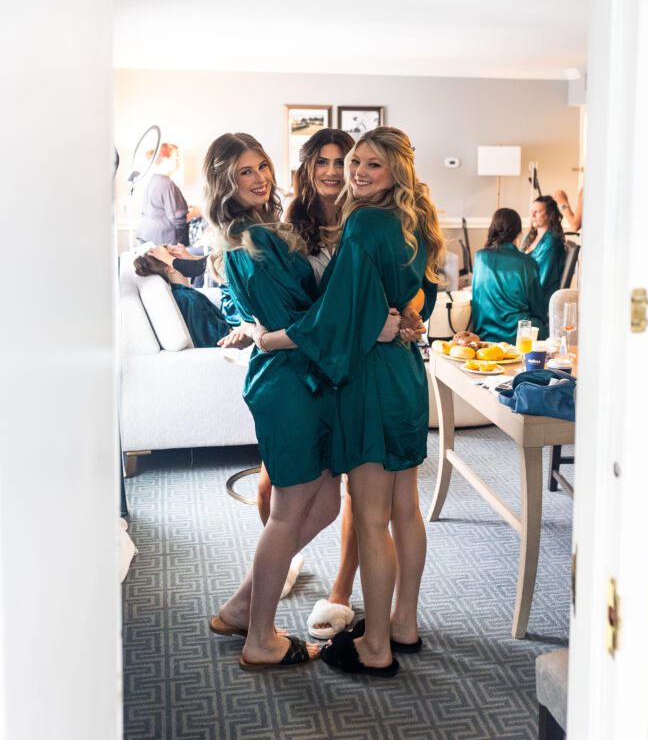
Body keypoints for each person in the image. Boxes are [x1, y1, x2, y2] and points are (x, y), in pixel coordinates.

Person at [202, 132, 401, 671]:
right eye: (244, 172)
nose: (258, 177)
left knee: (328, 505)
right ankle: (259, 638)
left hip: (312, 379)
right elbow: (303, 319)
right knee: (287, 514)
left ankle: (243, 606)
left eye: (261, 165)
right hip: (292, 381)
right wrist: (271, 334)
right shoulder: (251, 239)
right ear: (225, 182)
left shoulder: (271, 229)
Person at [252, 127, 443, 678]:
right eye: (353, 161)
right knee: (406, 508)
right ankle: (404, 623)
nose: (356, 172)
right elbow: (419, 300)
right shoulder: (417, 222)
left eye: (370, 165)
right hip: (406, 375)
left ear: (395, 172)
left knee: (374, 517)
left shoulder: (363, 222)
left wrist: (276, 338)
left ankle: (377, 645)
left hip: (369, 379)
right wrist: (404, 317)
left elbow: (340, 312)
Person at [470, 208, 547, 343]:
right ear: (518, 233)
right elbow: (538, 311)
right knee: (544, 326)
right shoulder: (528, 263)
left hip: (485, 334)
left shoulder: (479, 257)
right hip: (518, 336)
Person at [133, 248, 230, 347]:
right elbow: (219, 339)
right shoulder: (189, 299)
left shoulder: (184, 295)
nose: (179, 247)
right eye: (173, 251)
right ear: (170, 268)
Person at [136, 142, 200, 245]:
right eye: (176, 158)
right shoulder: (167, 185)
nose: (179, 161)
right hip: (163, 240)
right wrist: (196, 212)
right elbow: (179, 220)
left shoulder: (153, 180)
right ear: (164, 159)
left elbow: (158, 209)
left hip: (147, 236)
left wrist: (182, 207)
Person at [521, 195, 566, 307]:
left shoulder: (551, 241)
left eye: (537, 211)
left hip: (539, 300)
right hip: (525, 291)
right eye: (532, 211)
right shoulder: (530, 237)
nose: (532, 215)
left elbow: (542, 280)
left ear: (549, 215)